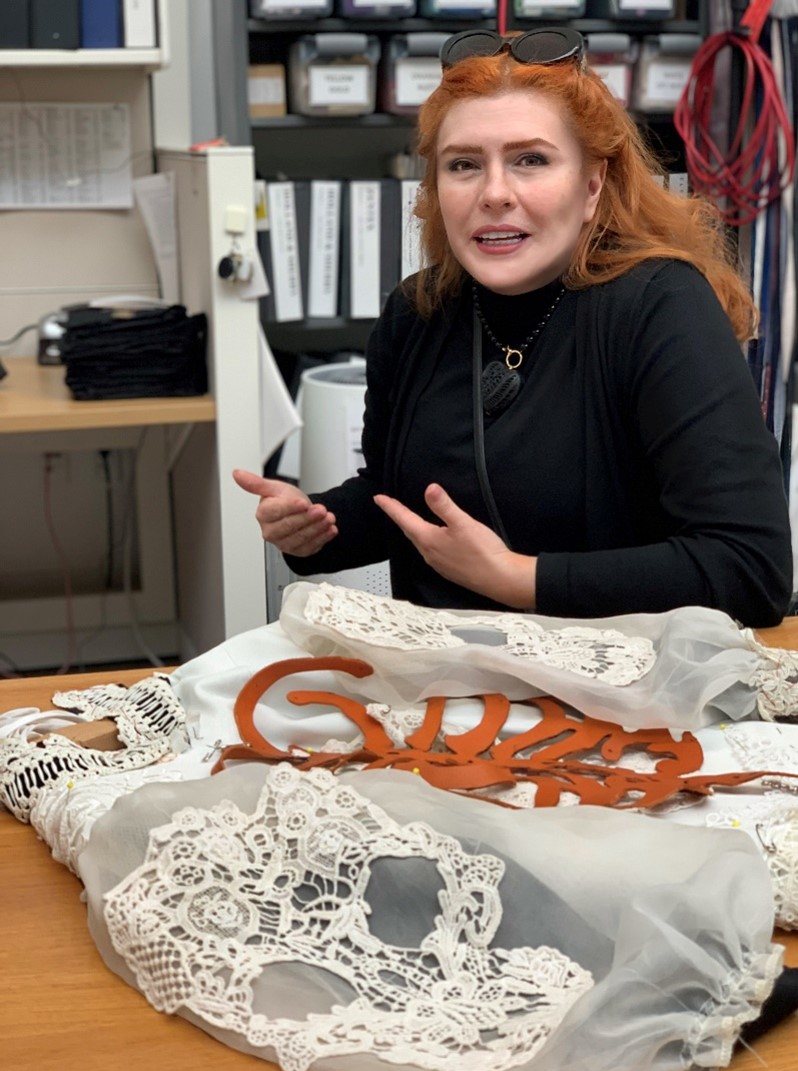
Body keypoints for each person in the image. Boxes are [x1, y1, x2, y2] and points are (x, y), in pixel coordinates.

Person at [234, 26, 792, 627]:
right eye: (464, 165)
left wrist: (517, 578)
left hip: (623, 678)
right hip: (447, 673)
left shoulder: (660, 305)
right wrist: (318, 526)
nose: (494, 193)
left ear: (592, 185)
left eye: (531, 160)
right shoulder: (416, 313)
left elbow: (750, 568)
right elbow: (401, 498)